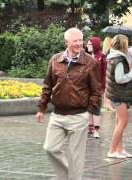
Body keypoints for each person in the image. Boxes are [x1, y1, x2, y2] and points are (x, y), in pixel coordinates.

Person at [36, 28, 102, 180]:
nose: (79, 43)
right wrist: (41, 108)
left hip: (79, 116)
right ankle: (66, 176)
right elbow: (47, 86)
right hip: (57, 115)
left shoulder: (90, 63)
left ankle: (72, 177)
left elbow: (96, 90)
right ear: (66, 42)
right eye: (75, 41)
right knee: (50, 148)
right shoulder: (55, 60)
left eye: (81, 40)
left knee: (75, 157)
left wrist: (89, 112)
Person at [106, 34, 132, 159]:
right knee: (123, 121)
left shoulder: (113, 57)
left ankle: (120, 149)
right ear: (124, 45)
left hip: (115, 93)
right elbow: (120, 79)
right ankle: (112, 150)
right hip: (119, 94)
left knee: (119, 121)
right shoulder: (118, 59)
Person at [86, 36, 107, 138]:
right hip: (87, 86)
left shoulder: (102, 57)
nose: (87, 46)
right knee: (89, 107)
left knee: (96, 108)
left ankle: (96, 130)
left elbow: (104, 74)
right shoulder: (87, 56)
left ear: (95, 45)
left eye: (89, 44)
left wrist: (103, 87)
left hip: (98, 87)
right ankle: (90, 128)